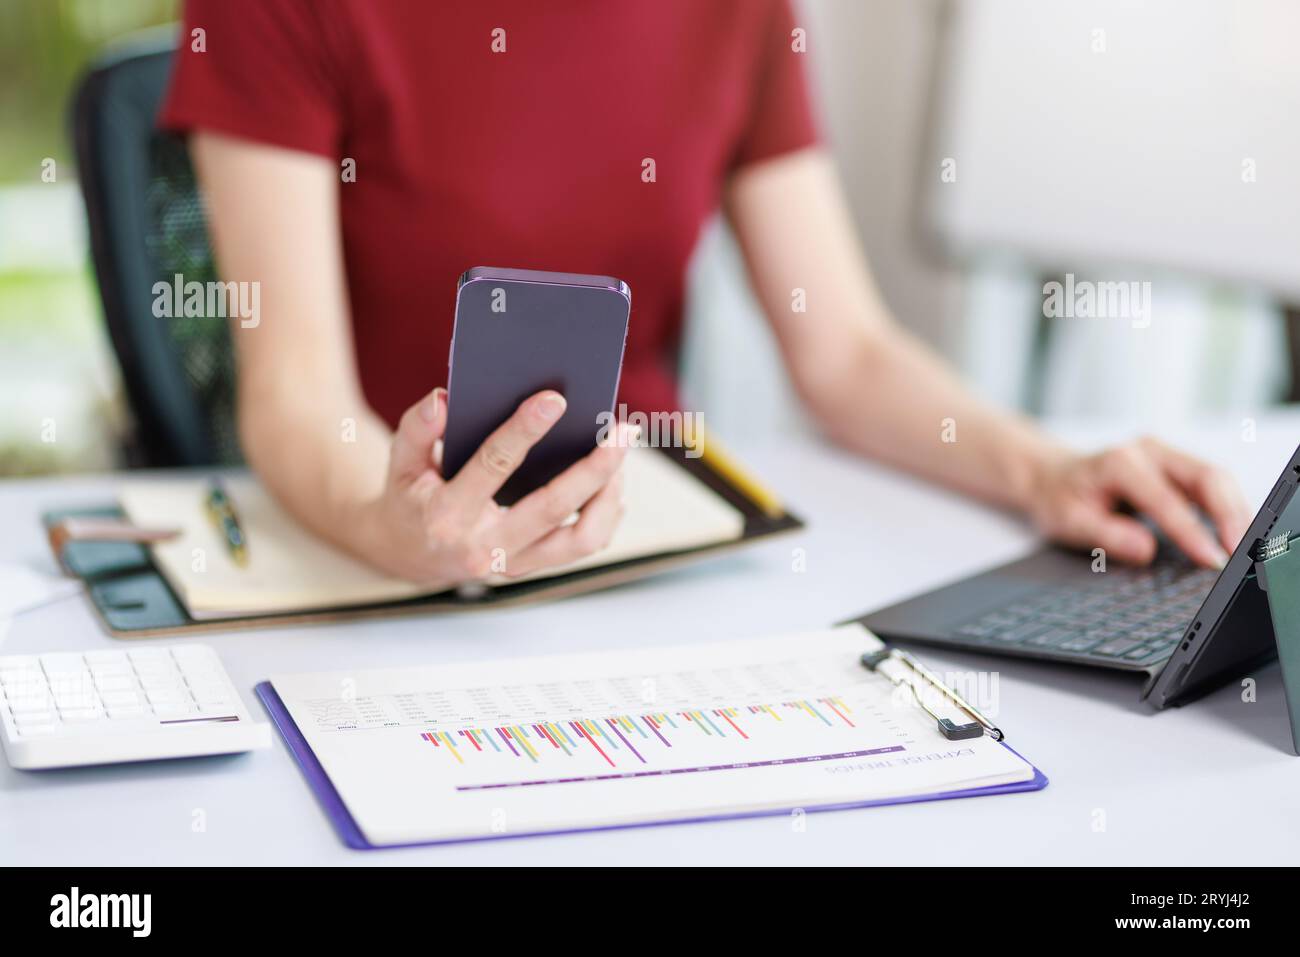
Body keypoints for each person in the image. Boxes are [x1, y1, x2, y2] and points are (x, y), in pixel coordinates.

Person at [160, 0, 1250, 588]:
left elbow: (845, 354)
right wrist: (392, 526)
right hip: (371, 562)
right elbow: (294, 390)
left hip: (644, 554)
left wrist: (1045, 467)